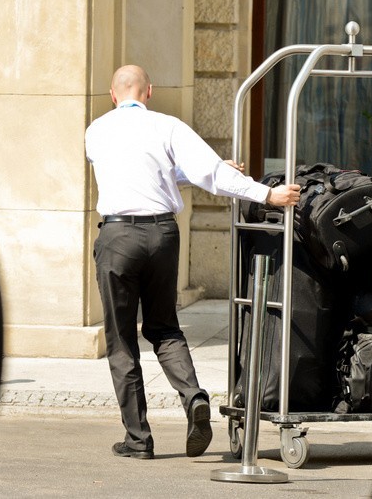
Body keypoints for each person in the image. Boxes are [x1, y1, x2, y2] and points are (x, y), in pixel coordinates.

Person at [85, 65, 300, 460]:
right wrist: (267, 195)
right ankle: (193, 398)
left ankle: (138, 439)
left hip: (116, 238)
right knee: (165, 326)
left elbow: (144, 174)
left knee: (122, 341)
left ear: (113, 95)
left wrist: (201, 176)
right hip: (162, 236)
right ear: (149, 91)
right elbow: (208, 174)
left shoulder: (95, 132)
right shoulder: (167, 126)